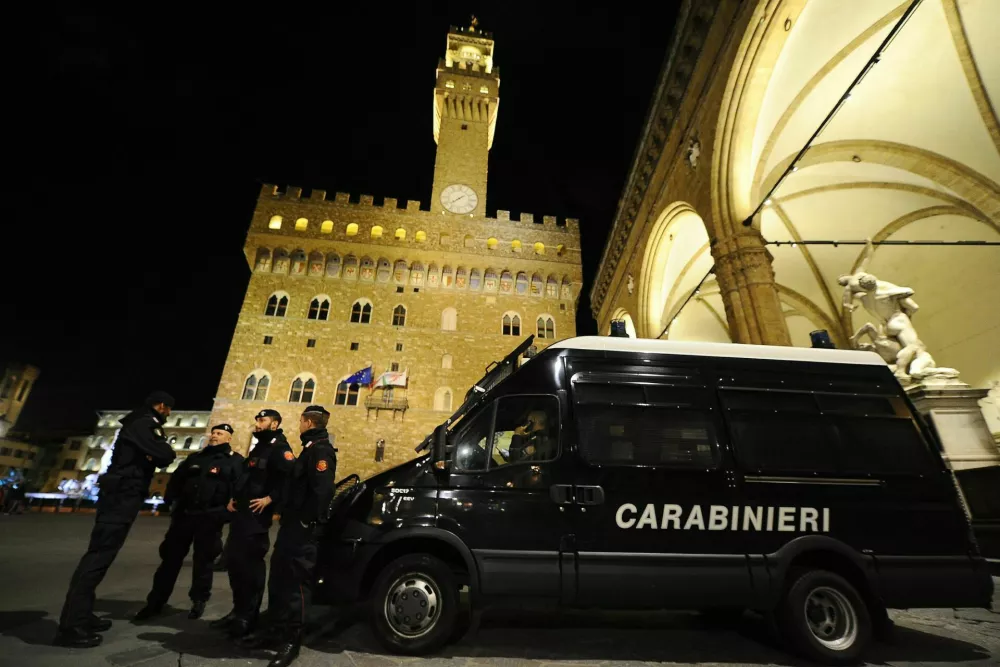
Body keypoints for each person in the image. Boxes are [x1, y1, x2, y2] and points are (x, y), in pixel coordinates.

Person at [54, 391, 177, 648]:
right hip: (122, 496)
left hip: (121, 494)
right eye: (168, 409)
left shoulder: (137, 423)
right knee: (98, 557)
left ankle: (83, 614)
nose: (169, 414)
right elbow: (166, 455)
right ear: (161, 406)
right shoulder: (144, 424)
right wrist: (156, 453)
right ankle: (72, 626)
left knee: (101, 556)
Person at [242, 405, 336, 667]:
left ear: (307, 422)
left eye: (301, 421)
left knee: (296, 586)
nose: (299, 425)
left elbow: (323, 491)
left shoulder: (320, 450)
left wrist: (308, 521)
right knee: (279, 580)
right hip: (291, 527)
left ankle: (291, 641)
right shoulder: (309, 448)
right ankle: (274, 631)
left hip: (302, 530)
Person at [134, 424, 242, 621]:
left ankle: (198, 600)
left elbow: (239, 489)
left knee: (204, 562)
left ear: (229, 438)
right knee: (170, 560)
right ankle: (156, 601)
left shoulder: (234, 461)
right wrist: (171, 502)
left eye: (220, 434)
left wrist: (226, 513)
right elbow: (176, 480)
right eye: (214, 433)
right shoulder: (195, 458)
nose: (214, 436)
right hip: (184, 516)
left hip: (210, 518)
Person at [211, 408, 294, 638]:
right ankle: (237, 611)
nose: (258, 423)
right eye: (257, 419)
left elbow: (290, 478)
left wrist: (271, 499)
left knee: (250, 568)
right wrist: (234, 498)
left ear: (274, 424)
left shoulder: (280, 448)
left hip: (256, 519)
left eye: (263, 420)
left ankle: (248, 617)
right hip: (242, 515)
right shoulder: (260, 447)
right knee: (235, 565)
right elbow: (247, 478)